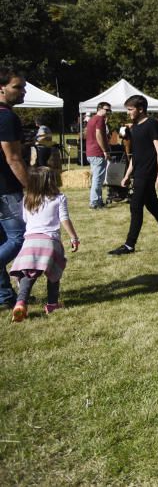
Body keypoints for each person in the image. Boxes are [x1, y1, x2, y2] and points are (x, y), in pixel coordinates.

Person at [9, 166, 80, 321]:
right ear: (51, 181)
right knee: (54, 274)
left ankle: (21, 303)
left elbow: (26, 220)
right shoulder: (59, 198)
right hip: (50, 241)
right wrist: (74, 237)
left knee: (29, 274)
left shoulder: (27, 200)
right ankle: (52, 304)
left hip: (30, 242)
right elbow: (64, 219)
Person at [108, 95, 158, 256]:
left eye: (130, 109)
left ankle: (129, 244)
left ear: (140, 109)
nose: (128, 113)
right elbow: (136, 155)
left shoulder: (152, 124)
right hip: (139, 171)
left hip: (148, 172)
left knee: (135, 206)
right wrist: (128, 174)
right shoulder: (134, 128)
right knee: (153, 206)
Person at [0, 69, 29, 309]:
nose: (23, 91)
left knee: (3, 241)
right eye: (17, 87)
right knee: (19, 237)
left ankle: (5, 298)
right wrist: (32, 187)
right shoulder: (6, 117)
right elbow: (14, 158)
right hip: (6, 188)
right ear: (1, 88)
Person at [85, 102, 112, 209]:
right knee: (98, 179)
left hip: (91, 152)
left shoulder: (92, 119)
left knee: (97, 178)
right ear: (100, 108)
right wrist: (105, 150)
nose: (108, 112)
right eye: (107, 110)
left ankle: (98, 201)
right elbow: (98, 135)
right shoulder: (100, 119)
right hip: (97, 153)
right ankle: (94, 202)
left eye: (109, 110)